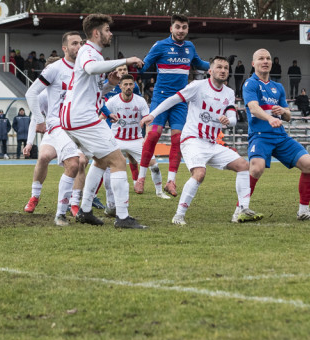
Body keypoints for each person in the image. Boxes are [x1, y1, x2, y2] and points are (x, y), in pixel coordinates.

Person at [141, 56, 259, 225]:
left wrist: (228, 121)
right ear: (210, 71)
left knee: (243, 166)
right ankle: (179, 215)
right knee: (199, 173)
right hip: (192, 140)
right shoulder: (197, 86)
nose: (223, 70)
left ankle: (242, 210)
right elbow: (173, 99)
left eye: (226, 67)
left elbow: (232, 117)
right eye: (219, 67)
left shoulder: (229, 93)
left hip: (212, 143)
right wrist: (152, 115)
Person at [60, 13, 147, 229]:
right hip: (81, 116)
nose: (111, 33)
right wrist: (126, 61)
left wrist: (109, 84)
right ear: (97, 33)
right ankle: (123, 217)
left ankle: (85, 210)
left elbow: (93, 88)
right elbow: (90, 68)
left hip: (78, 115)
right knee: (118, 161)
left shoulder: (93, 54)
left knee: (100, 161)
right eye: (107, 30)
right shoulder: (88, 51)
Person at [135, 14, 210, 198]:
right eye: (177, 27)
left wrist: (215, 65)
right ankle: (141, 178)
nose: (181, 30)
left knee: (177, 140)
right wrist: (136, 65)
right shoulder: (160, 45)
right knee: (153, 135)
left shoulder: (190, 47)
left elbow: (199, 64)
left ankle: (171, 181)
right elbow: (144, 67)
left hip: (181, 100)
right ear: (171, 29)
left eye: (184, 27)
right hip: (160, 98)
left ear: (187, 29)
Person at [243, 49, 310, 221]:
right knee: (256, 168)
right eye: (261, 58)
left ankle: (303, 211)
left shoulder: (277, 87)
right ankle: (241, 209)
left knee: (309, 164)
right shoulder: (250, 84)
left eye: (268, 58)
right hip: (260, 135)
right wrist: (270, 117)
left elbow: (288, 115)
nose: (265, 61)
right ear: (253, 63)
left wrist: (282, 112)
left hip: (280, 136)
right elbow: (253, 108)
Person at [22, 34, 88, 223]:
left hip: (73, 127)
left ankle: (74, 203)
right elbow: (34, 116)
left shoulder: (84, 70)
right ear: (64, 49)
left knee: (80, 162)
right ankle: (35, 196)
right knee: (43, 157)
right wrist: (29, 141)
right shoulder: (46, 89)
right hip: (55, 129)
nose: (79, 46)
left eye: (80, 43)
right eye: (74, 43)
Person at [102, 73, 165, 216]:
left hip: (136, 139)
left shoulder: (140, 101)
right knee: (105, 166)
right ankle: (110, 202)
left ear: (134, 85)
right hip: (117, 139)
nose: (128, 87)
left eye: (131, 84)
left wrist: (147, 137)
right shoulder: (112, 101)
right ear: (120, 86)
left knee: (154, 165)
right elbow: (101, 117)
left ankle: (160, 192)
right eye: (125, 84)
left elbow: (148, 120)